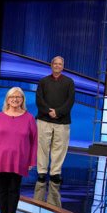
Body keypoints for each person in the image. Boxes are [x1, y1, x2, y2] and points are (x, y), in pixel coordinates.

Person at [0, 87, 37, 213]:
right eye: (12, 97)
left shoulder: (29, 118)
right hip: (0, 158)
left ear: (23, 100)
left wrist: (31, 160)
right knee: (2, 187)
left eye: (18, 97)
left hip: (19, 159)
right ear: (7, 100)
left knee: (14, 188)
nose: (15, 99)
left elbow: (34, 141)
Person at [35, 55, 75, 184]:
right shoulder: (43, 81)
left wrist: (57, 112)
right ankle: (41, 172)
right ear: (51, 65)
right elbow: (39, 100)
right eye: (55, 64)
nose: (57, 66)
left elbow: (70, 101)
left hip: (62, 121)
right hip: (44, 120)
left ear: (63, 67)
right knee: (42, 147)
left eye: (60, 64)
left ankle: (55, 172)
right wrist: (48, 111)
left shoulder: (69, 82)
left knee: (60, 148)